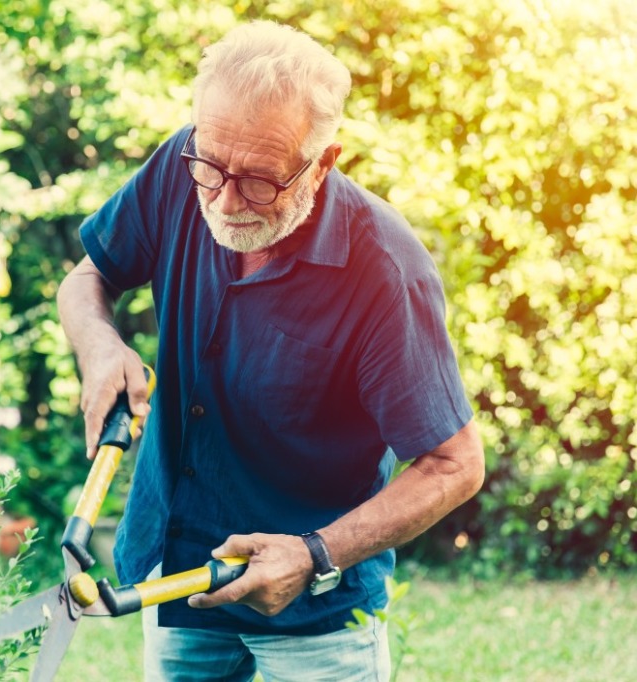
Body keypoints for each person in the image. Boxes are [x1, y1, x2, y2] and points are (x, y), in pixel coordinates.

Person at [56, 20, 485, 682]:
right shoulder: (184, 167)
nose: (225, 201)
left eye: (260, 180)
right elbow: (90, 277)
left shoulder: (385, 273)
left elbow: (454, 464)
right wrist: (98, 344)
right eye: (212, 167)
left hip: (315, 615)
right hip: (179, 577)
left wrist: (314, 554)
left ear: (324, 161)